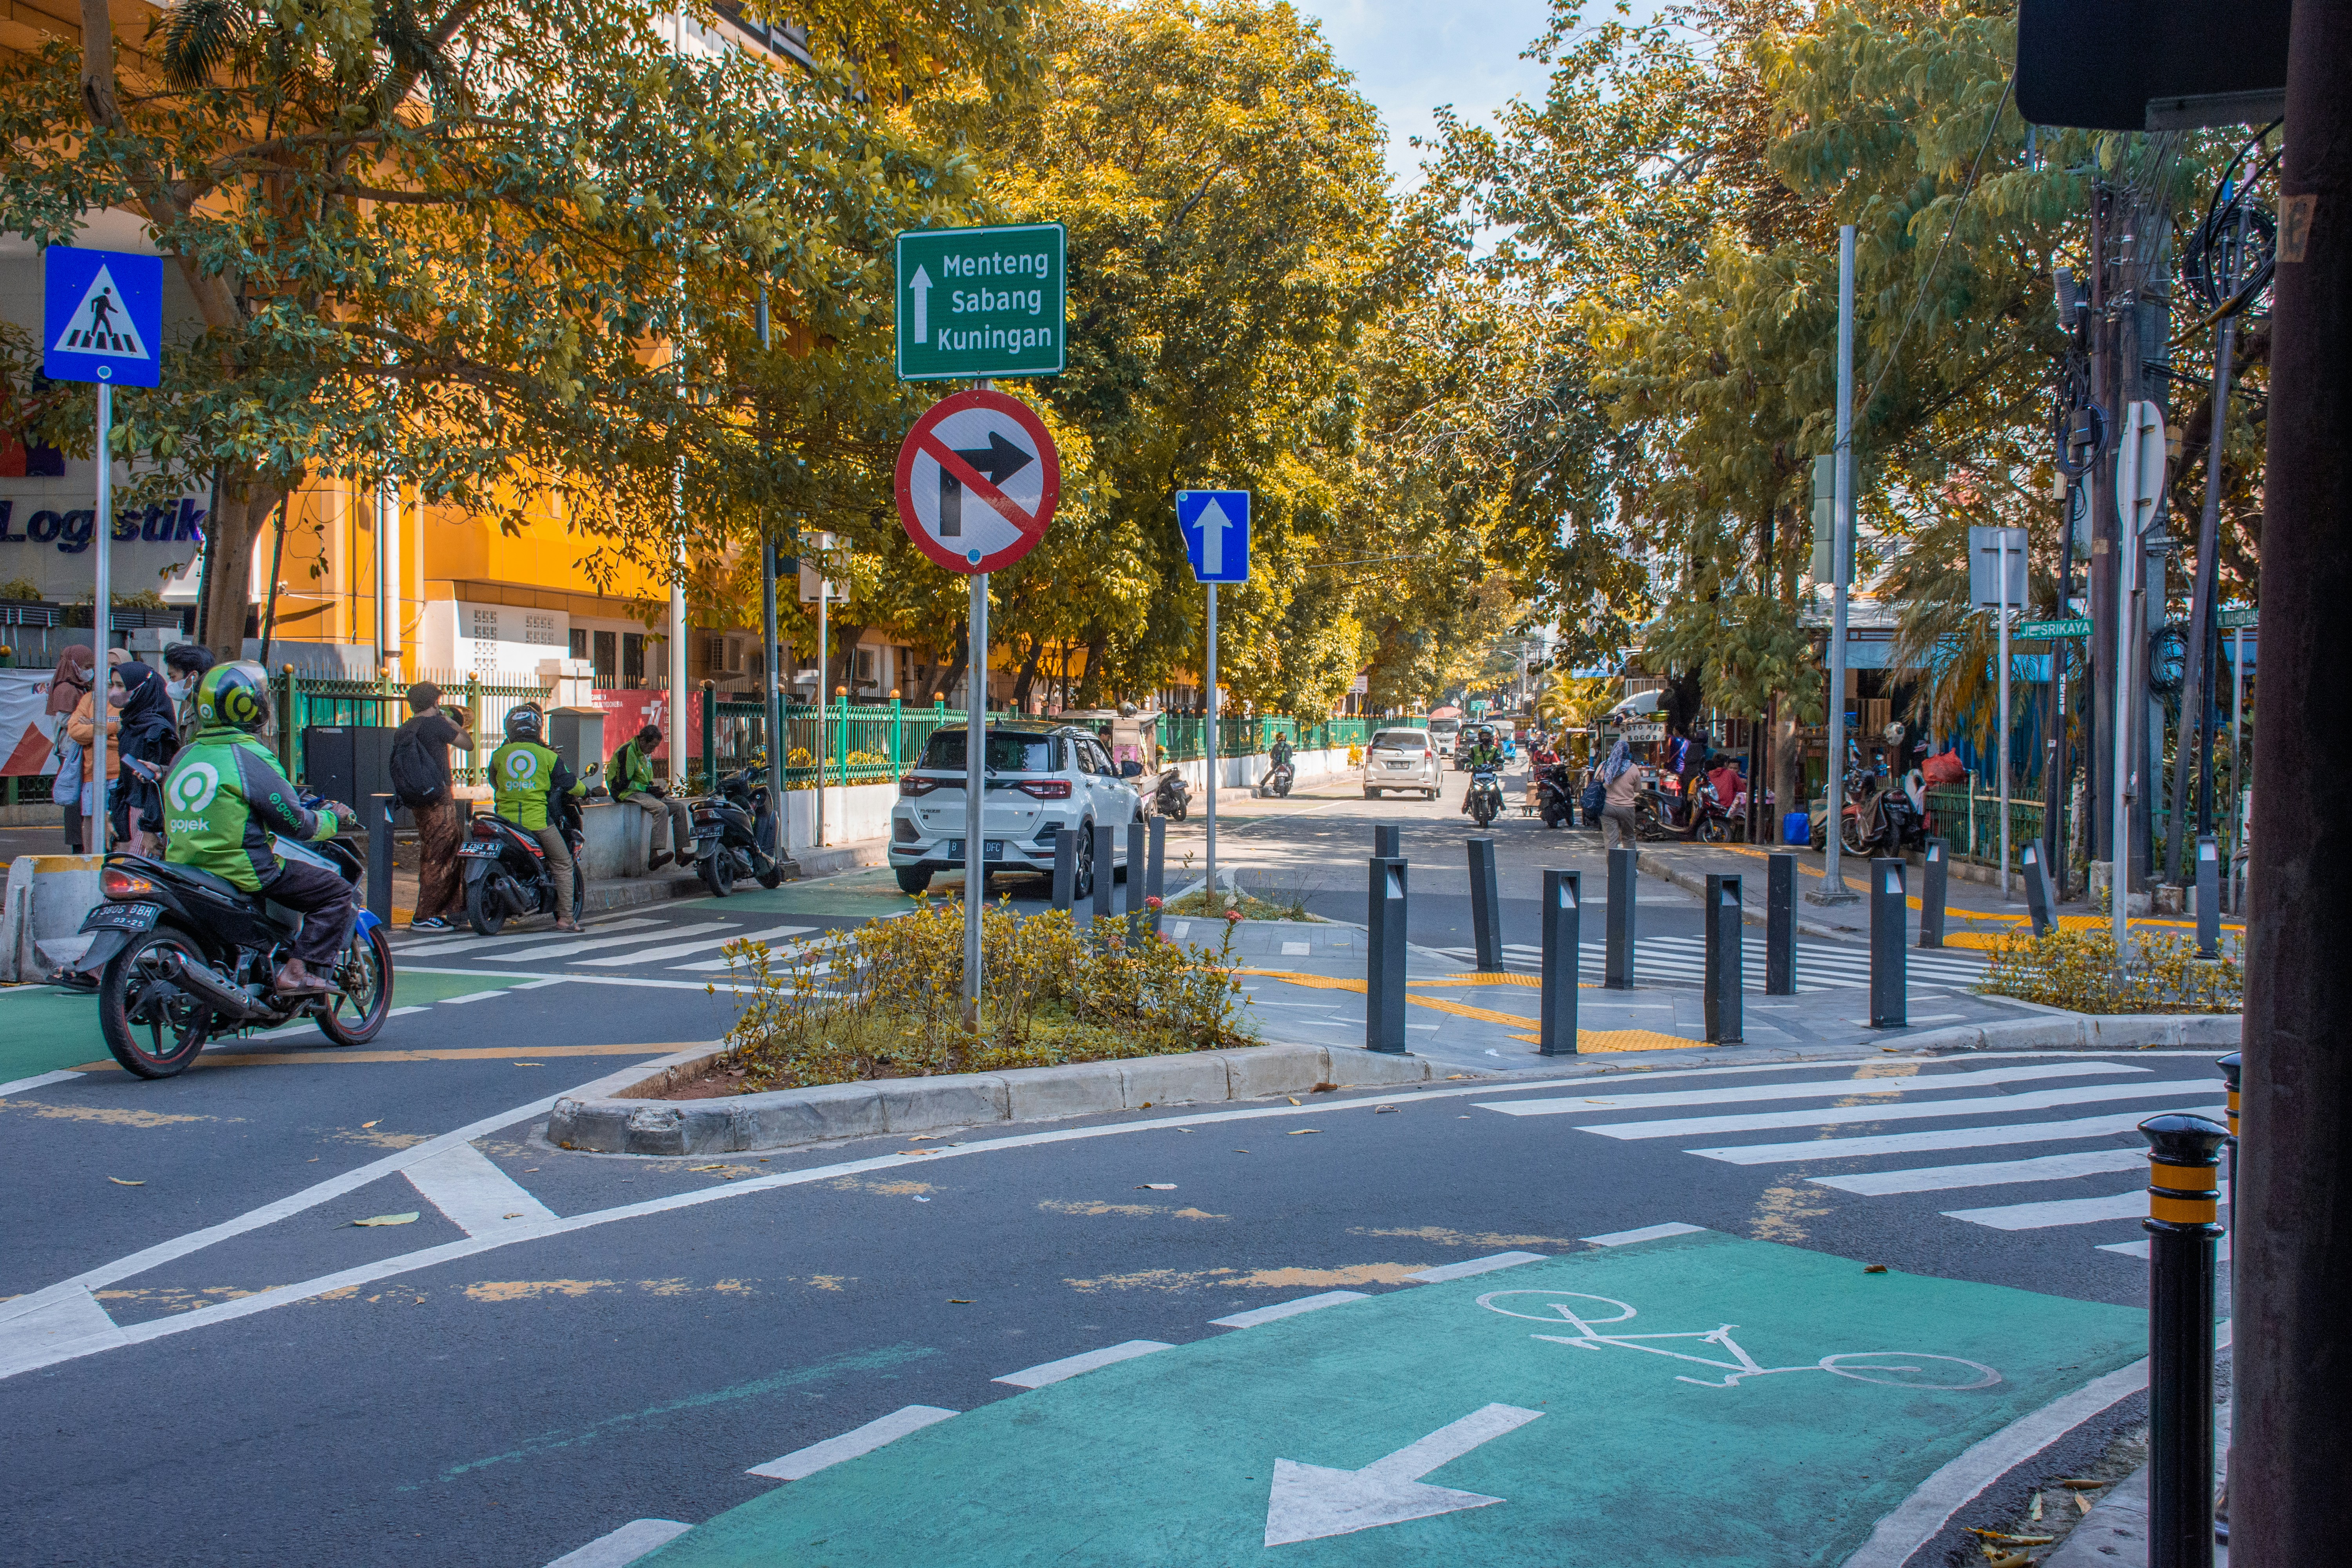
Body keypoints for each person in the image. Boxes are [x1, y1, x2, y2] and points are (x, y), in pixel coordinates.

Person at [163, 662, 356, 995]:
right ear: (251, 705)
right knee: (337, 891)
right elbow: (298, 824)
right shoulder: (251, 758)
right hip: (244, 871)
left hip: (185, 869)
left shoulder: (184, 756)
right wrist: (333, 819)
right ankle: (296, 971)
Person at [488, 704, 587, 931]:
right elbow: (571, 783)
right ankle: (566, 919)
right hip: (537, 822)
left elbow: (494, 782)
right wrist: (588, 791)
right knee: (563, 863)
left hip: (504, 822)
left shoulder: (499, 755)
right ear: (538, 728)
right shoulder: (548, 756)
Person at [392, 682, 474, 931]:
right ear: (435, 702)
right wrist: (451, 722)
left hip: (418, 798)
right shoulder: (437, 724)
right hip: (438, 799)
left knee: (439, 849)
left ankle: (452, 909)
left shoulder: (406, 728)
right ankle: (425, 915)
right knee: (439, 855)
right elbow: (467, 743)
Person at [111, 662, 181, 856]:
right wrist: (115, 815)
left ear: (142, 689)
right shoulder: (131, 725)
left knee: (138, 878)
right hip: (133, 815)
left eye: (121, 686)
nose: (115, 692)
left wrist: (150, 829)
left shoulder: (157, 731)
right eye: (113, 685)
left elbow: (155, 786)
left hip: (147, 817)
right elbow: (126, 778)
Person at [610, 722, 693, 871]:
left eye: (656, 747)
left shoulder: (644, 753)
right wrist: (648, 789)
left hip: (643, 791)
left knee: (680, 808)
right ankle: (653, 856)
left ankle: (681, 853)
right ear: (642, 740)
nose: (653, 750)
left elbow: (645, 779)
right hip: (626, 793)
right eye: (652, 746)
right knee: (661, 809)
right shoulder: (627, 751)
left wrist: (654, 788)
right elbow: (623, 783)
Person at [66, 663, 124, 853]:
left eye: (114, 664)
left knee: (119, 820)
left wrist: (91, 728)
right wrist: (111, 729)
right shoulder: (90, 699)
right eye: (104, 662)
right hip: (91, 773)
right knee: (90, 821)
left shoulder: (126, 698)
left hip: (119, 772)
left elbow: (126, 733)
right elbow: (74, 731)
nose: (107, 668)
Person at [44, 647, 92, 852]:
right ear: (74, 665)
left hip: (79, 746)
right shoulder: (66, 689)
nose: (89, 671)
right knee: (75, 798)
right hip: (71, 750)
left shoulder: (80, 687)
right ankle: (77, 843)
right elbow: (65, 719)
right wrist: (89, 721)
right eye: (86, 667)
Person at [162, 643, 215, 744]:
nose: (171, 684)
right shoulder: (193, 709)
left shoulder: (207, 714)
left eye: (173, 677)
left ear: (193, 677)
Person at [1601, 735, 1641, 852]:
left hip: (1607, 808)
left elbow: (1598, 781)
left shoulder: (1605, 766)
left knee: (1611, 841)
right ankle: (1630, 868)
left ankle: (1613, 869)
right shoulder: (1633, 768)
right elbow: (1638, 789)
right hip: (1627, 809)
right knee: (1628, 838)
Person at [1457, 726, 1503, 813]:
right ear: (1480, 737)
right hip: (1477, 774)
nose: (1485, 738)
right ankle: (1466, 804)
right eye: (1483, 736)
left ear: (1491, 738)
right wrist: (1468, 767)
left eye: (1487, 736)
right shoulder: (1474, 749)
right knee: (1472, 790)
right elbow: (1470, 759)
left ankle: (1501, 803)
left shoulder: (1494, 750)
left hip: (1489, 774)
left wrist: (1500, 766)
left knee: (1496, 789)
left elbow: (1498, 759)